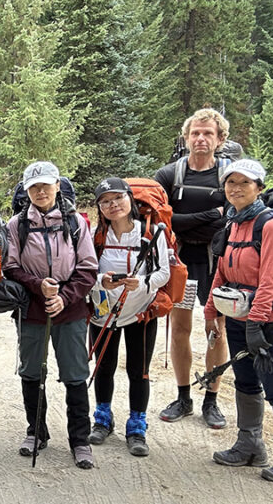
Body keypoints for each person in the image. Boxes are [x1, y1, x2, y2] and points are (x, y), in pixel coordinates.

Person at [204, 159, 273, 483]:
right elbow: (221, 271)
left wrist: (256, 322)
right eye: (230, 183)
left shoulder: (271, 225)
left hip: (267, 319)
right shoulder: (233, 222)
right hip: (237, 314)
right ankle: (250, 445)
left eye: (244, 183)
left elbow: (270, 280)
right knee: (246, 380)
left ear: (259, 188)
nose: (236, 189)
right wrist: (211, 311)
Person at [3, 161, 98, 469]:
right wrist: (38, 286)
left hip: (70, 311)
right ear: (26, 190)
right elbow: (11, 268)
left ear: (58, 185)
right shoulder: (16, 225)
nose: (40, 191)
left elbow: (87, 268)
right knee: (31, 372)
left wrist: (64, 298)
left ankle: (80, 439)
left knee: (75, 374)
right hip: (31, 309)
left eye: (46, 184)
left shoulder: (76, 222)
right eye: (34, 186)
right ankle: (36, 431)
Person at [154, 108, 231, 428]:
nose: (201, 138)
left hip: (221, 264)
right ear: (186, 138)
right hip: (182, 261)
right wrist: (210, 215)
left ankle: (211, 400)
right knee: (180, 329)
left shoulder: (231, 175)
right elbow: (162, 220)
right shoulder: (169, 175)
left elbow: (235, 218)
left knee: (216, 330)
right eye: (195, 133)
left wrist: (186, 221)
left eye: (208, 133)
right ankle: (183, 396)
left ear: (220, 139)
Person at [87, 178, 170, 457]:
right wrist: (101, 280)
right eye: (105, 201)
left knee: (139, 370)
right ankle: (102, 419)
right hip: (103, 313)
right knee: (103, 367)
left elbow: (164, 273)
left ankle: (136, 426)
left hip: (141, 312)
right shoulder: (95, 235)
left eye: (118, 198)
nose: (113, 205)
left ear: (130, 199)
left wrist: (143, 282)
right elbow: (84, 271)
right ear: (99, 206)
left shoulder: (152, 233)